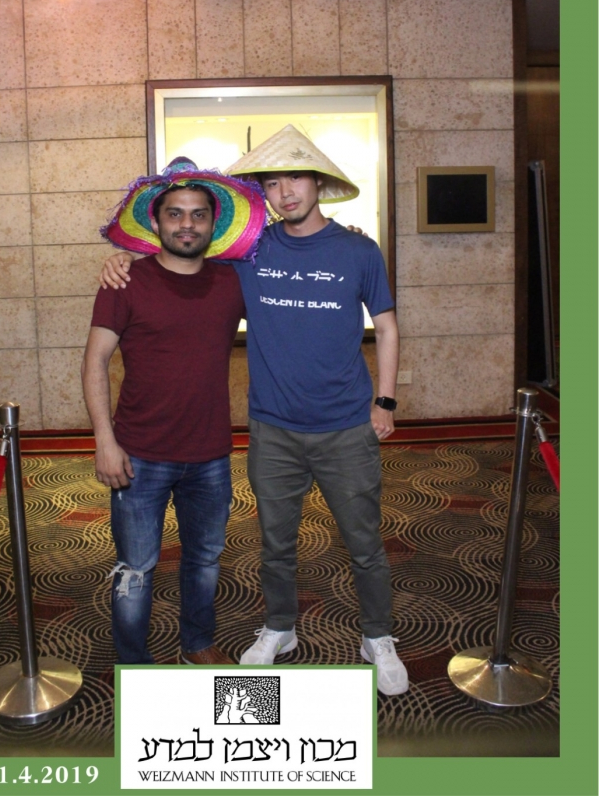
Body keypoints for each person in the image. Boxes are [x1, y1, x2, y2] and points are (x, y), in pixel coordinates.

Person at [101, 126, 408, 695]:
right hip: (272, 428)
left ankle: (378, 636)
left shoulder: (359, 250)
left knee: (365, 543)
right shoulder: (250, 252)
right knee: (275, 544)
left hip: (345, 426)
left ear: (319, 182)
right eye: (271, 182)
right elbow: (180, 253)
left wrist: (384, 401)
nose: (285, 191)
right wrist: (125, 257)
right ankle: (279, 627)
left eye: (295, 178)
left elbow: (387, 327)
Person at [82, 158, 266, 665]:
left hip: (210, 455)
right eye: (176, 214)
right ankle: (132, 662)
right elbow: (95, 360)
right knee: (136, 568)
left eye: (198, 214)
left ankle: (197, 643)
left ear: (213, 223)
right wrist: (104, 441)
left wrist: (341, 242)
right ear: (157, 222)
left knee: (204, 560)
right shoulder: (126, 281)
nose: (187, 224)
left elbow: (290, 281)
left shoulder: (233, 282)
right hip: (138, 455)